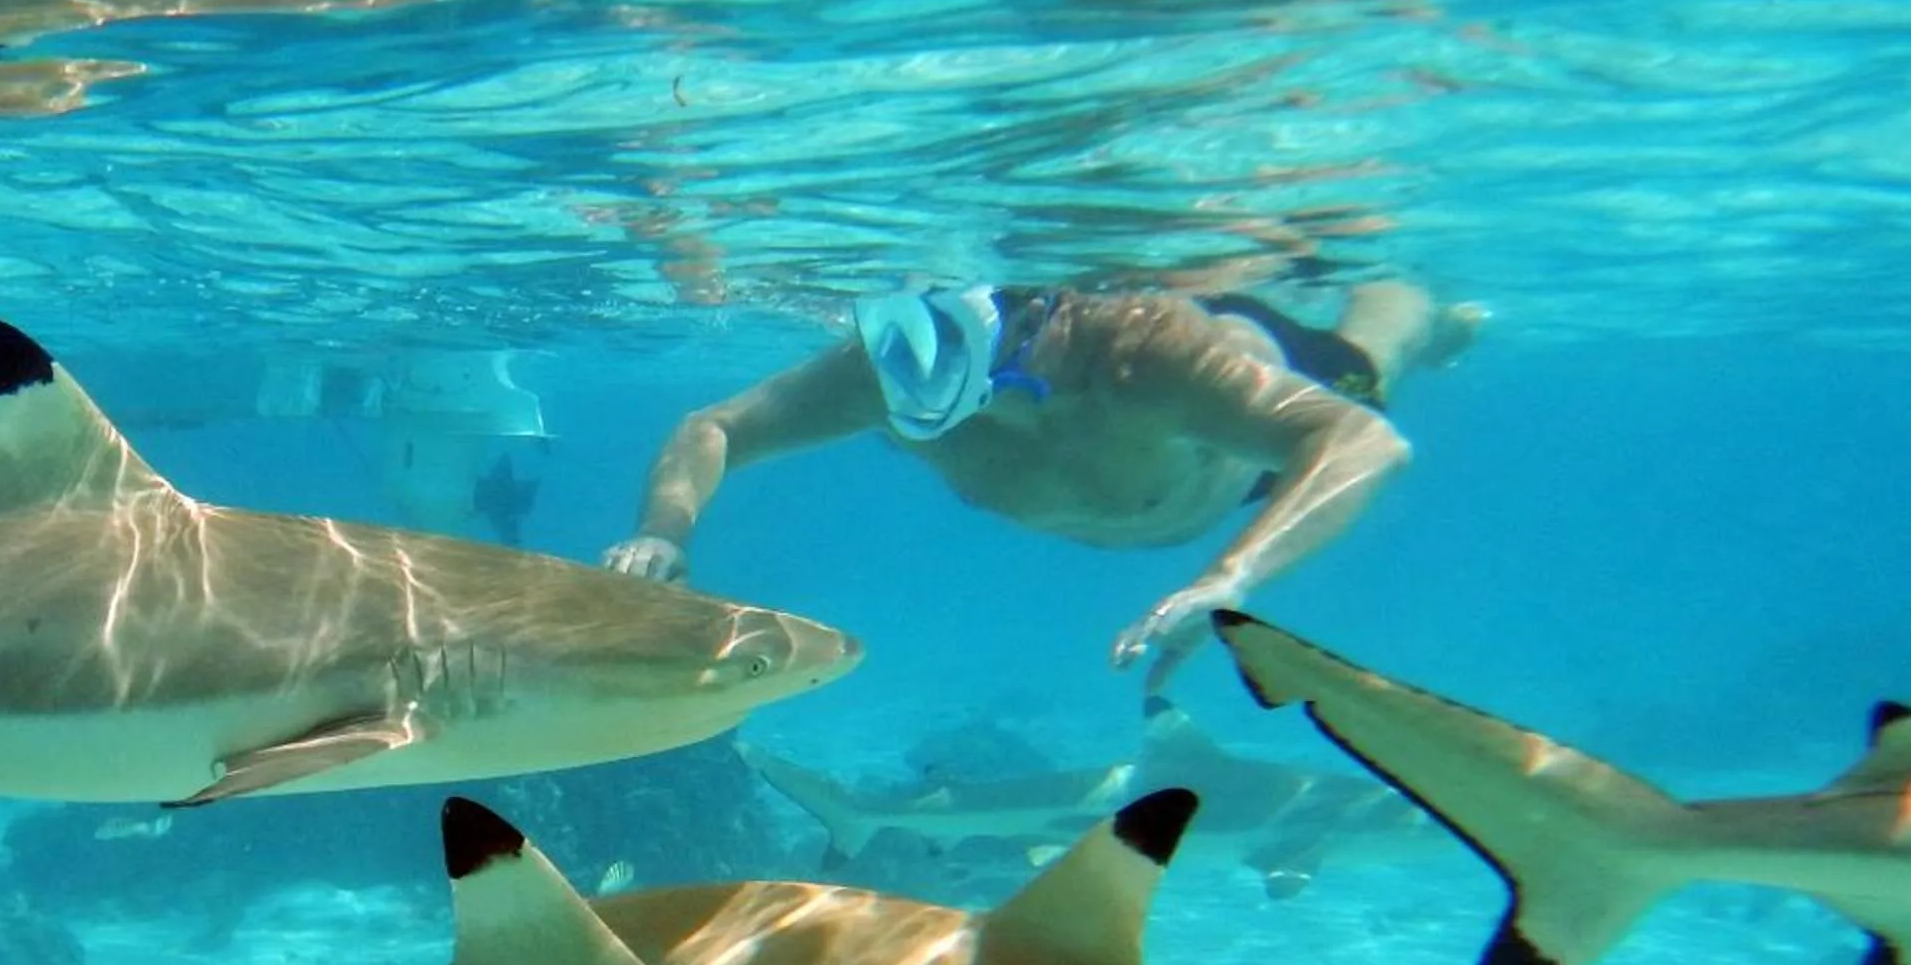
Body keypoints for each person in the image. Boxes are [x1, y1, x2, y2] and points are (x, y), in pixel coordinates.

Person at [602, 276, 1480, 680]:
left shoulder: (1144, 360)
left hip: (1236, 450)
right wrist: (661, 532)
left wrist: (1229, 578)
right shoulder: (887, 372)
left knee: (1372, 357)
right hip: (1152, 485)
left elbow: (1365, 443)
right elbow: (711, 427)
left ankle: (1422, 314)